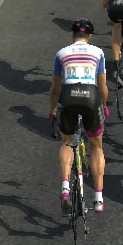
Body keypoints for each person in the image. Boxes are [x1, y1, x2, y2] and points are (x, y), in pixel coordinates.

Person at [50, 19, 109, 214]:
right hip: (91, 96)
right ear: (90, 36)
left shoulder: (61, 53)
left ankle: (65, 188)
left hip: (68, 95)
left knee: (67, 142)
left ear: (72, 35)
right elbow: (103, 88)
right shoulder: (98, 52)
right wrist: (104, 106)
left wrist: (52, 110)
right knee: (96, 146)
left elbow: (55, 89)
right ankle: (98, 198)